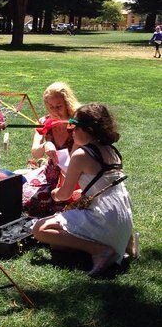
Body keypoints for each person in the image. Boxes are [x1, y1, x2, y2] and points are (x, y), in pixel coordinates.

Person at [32, 103, 133, 277]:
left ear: (86, 129)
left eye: (73, 126)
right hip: (123, 219)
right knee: (58, 244)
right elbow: (105, 184)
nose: (71, 131)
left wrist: (55, 194)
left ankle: (100, 250)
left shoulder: (81, 155)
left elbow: (64, 195)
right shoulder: (112, 150)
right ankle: (121, 245)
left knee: (39, 230)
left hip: (105, 219)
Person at [23, 82, 80, 216]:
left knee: (66, 209)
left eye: (59, 106)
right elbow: (35, 152)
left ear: (67, 104)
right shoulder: (44, 122)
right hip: (51, 173)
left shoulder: (76, 122)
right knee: (29, 203)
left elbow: (75, 158)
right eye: (50, 107)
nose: (55, 111)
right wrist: (45, 145)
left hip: (74, 173)